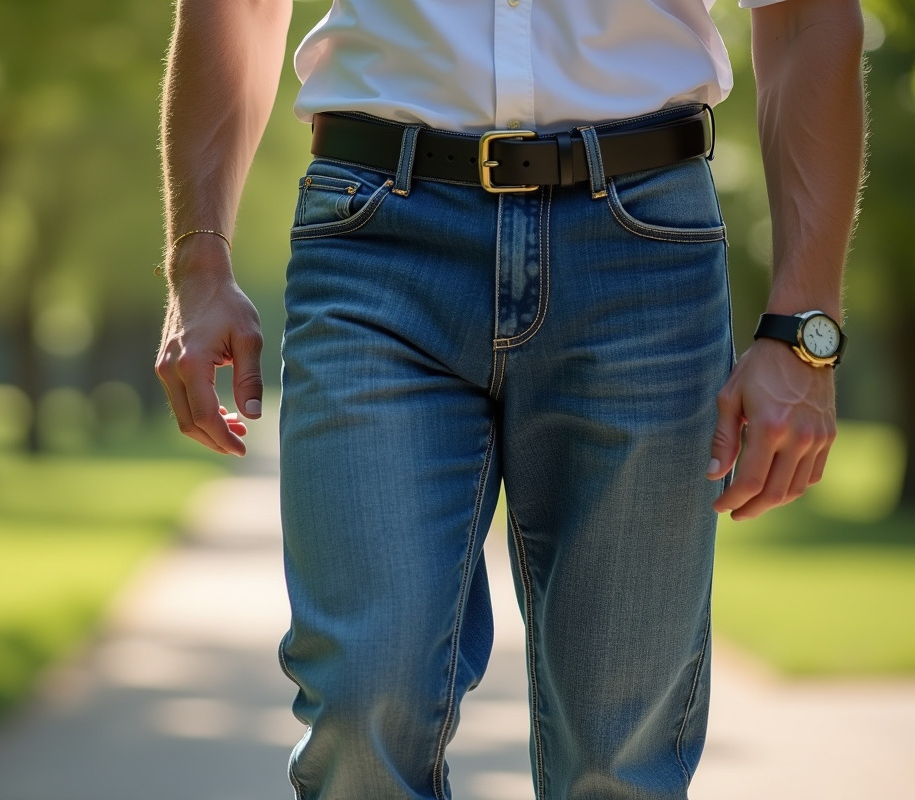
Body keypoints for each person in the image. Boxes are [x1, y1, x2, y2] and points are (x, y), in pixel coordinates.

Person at [154, 0, 865, 797]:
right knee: (362, 710)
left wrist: (805, 325)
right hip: (375, 239)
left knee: (616, 762)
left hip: (642, 256)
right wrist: (199, 261)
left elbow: (806, 14)